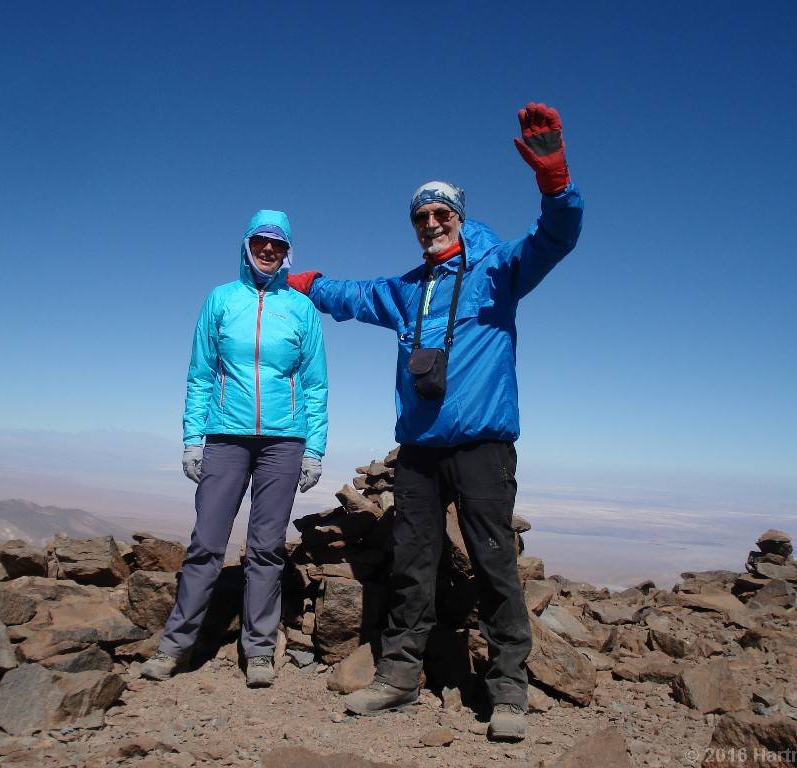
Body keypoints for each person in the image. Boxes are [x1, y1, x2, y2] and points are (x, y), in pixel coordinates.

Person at [286, 103, 584, 740]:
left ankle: (508, 691)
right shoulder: (406, 289)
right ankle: (398, 677)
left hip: (482, 449)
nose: (430, 223)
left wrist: (555, 179)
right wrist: (306, 283)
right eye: (420, 216)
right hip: (418, 452)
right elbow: (352, 295)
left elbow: (556, 237)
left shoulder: (498, 271)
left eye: (441, 213)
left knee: (493, 562)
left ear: (460, 216)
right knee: (412, 564)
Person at [142, 209, 328, 688]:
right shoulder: (221, 300)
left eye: (279, 245)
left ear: (289, 253)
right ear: (247, 245)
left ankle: (260, 650)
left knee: (266, 548)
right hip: (225, 435)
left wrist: (315, 448)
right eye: (262, 241)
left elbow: (315, 385)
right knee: (206, 542)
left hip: (284, 442)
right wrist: (191, 438)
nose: (269, 250)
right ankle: (175, 646)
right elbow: (200, 374)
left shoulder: (301, 308)